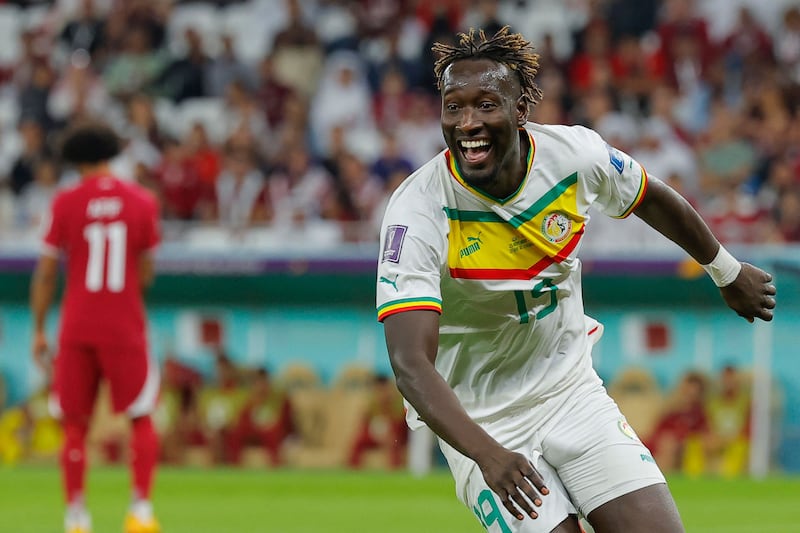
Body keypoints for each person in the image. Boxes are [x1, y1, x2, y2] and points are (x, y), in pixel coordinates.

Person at [376, 27, 776, 533]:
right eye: (453, 108)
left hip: (572, 393)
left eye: (485, 105)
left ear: (521, 109)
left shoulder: (574, 157)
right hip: (484, 422)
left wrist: (725, 269)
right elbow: (409, 363)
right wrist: (487, 454)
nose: (467, 123)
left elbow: (649, 195)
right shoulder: (417, 211)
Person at [30, 120, 162, 533]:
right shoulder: (142, 201)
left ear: (75, 159)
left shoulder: (65, 202)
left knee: (74, 424)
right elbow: (146, 271)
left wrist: (38, 328)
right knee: (140, 417)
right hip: (124, 325)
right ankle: (139, 511)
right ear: (111, 154)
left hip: (78, 325)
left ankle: (76, 517)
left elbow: (48, 271)